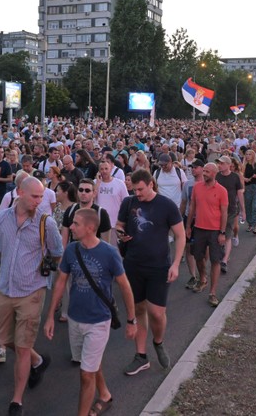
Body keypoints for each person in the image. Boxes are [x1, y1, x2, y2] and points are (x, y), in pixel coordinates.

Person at [44, 208, 137, 416]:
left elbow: (125, 286)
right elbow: (61, 282)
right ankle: (104, 394)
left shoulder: (109, 253)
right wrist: (50, 315)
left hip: (98, 320)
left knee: (86, 375)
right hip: (75, 320)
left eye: (76, 224)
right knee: (90, 363)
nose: (71, 227)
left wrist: (132, 320)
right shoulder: (71, 250)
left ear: (90, 228)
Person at [0, 176, 63, 416]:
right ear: (19, 193)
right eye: (35, 196)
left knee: (22, 346)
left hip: (32, 291)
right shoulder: (2, 219)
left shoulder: (47, 223)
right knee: (2, 337)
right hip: (4, 288)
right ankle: (38, 361)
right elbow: (0, 249)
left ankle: (17, 400)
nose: (39, 201)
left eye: (42, 196)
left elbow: (57, 252)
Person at [116, 169, 185, 376]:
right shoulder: (128, 203)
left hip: (159, 267)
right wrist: (121, 234)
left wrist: (176, 264)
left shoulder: (166, 205)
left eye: (140, 189)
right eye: (134, 189)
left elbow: (180, 235)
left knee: (156, 312)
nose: (137, 193)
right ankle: (141, 356)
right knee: (138, 311)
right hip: (133, 264)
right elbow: (119, 226)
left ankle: (158, 341)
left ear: (150, 185)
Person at [186, 163, 229, 307]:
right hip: (199, 228)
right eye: (203, 170)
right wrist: (188, 226)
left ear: (214, 173)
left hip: (215, 231)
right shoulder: (197, 187)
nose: (204, 173)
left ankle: (212, 292)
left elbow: (224, 213)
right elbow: (192, 207)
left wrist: (222, 232)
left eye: (207, 171)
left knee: (215, 260)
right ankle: (202, 278)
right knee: (198, 256)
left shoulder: (222, 191)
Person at [240, 149, 256, 235]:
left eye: (249, 154)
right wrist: (245, 179)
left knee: (255, 206)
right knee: (248, 207)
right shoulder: (244, 165)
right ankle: (250, 223)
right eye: (246, 154)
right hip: (247, 188)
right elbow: (241, 176)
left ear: (253, 155)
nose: (247, 156)